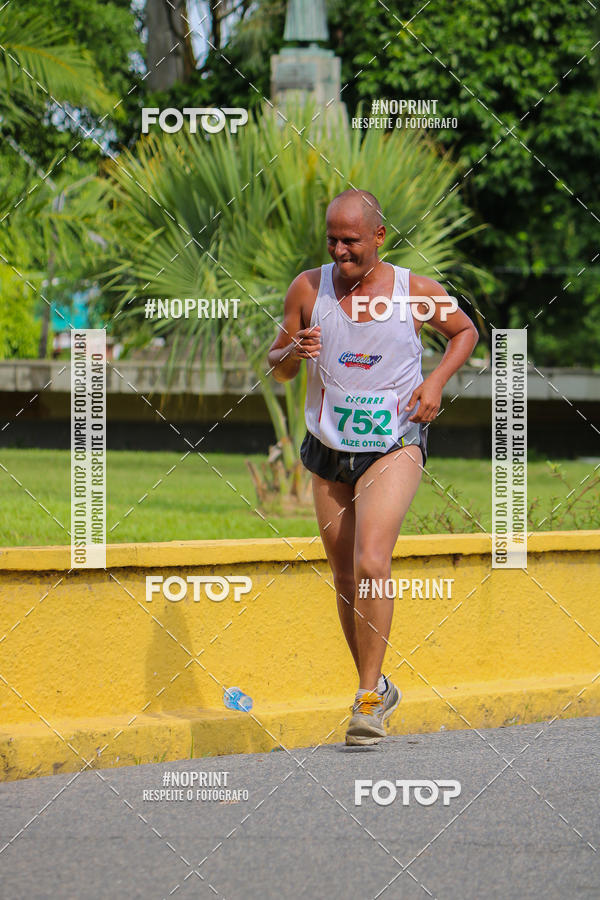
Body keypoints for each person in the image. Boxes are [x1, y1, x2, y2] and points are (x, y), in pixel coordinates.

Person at [267, 189, 479, 746]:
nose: (340, 251)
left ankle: (365, 701)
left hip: (394, 441)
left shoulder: (413, 291)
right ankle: (379, 685)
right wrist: (292, 353)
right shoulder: (307, 289)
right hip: (327, 445)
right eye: (332, 240)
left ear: (379, 237)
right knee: (343, 575)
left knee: (370, 561)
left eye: (351, 241)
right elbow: (277, 366)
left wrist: (436, 382)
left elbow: (466, 331)